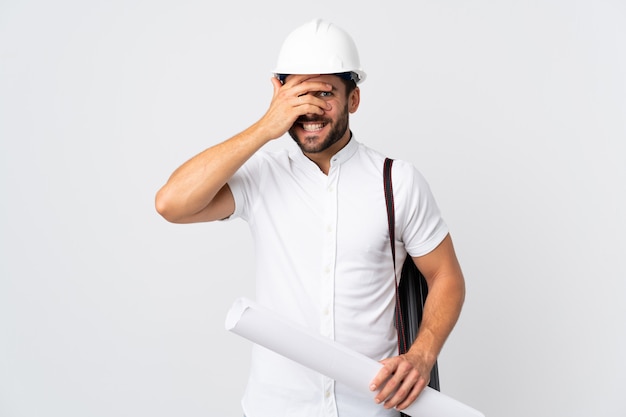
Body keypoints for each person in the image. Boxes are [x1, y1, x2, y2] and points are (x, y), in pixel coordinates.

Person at [155, 18, 466, 417]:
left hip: (371, 409)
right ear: (278, 94)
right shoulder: (261, 174)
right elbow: (171, 204)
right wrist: (266, 125)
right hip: (275, 408)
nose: (311, 109)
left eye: (325, 93)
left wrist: (422, 355)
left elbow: (446, 276)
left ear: (354, 99)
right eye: (298, 94)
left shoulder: (397, 181)